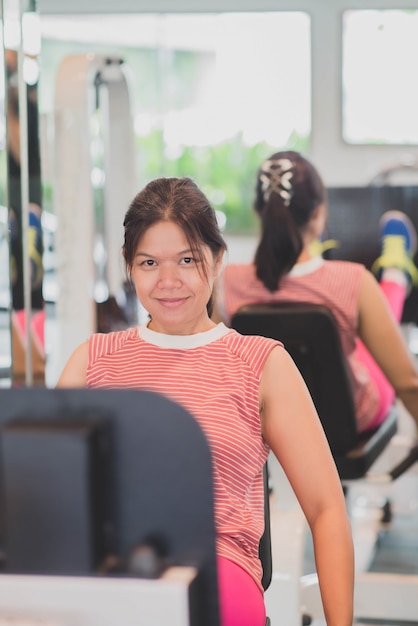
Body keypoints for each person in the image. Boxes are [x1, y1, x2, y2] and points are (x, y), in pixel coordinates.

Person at [57, 176, 354, 626]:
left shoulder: (260, 362)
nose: (169, 281)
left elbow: (326, 508)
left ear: (216, 260)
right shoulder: (94, 359)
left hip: (216, 570)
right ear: (127, 265)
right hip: (114, 570)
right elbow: (48, 489)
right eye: (149, 262)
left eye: (188, 260)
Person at [215, 150, 418, 435]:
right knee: (364, 346)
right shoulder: (353, 280)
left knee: (348, 335)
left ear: (259, 213)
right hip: (353, 418)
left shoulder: (228, 281)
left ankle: (316, 254)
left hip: (276, 422)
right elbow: (409, 385)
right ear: (318, 214)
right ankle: (396, 271)